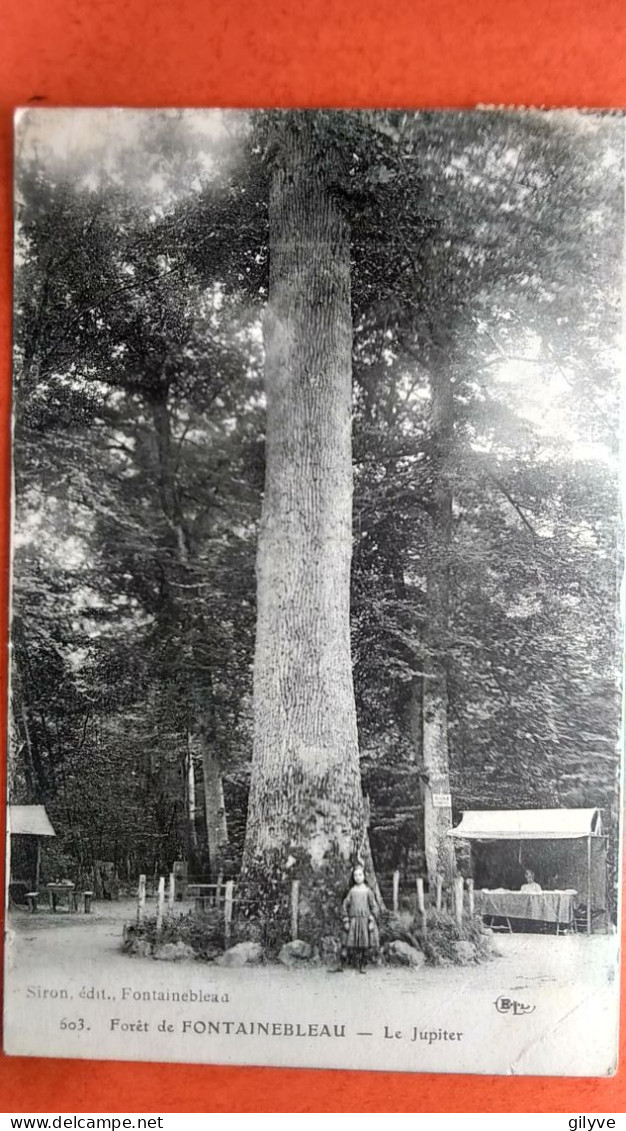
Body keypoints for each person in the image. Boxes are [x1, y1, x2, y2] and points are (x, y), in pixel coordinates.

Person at [342, 864, 379, 973]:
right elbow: (345, 905)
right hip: (353, 920)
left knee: (364, 943)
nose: (358, 877)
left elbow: (374, 906)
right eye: (355, 875)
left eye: (360, 874)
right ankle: (353, 962)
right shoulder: (352, 891)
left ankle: (363, 964)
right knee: (352, 941)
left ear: (364, 876)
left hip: (364, 920)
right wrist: (346, 920)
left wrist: (372, 919)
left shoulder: (368, 891)